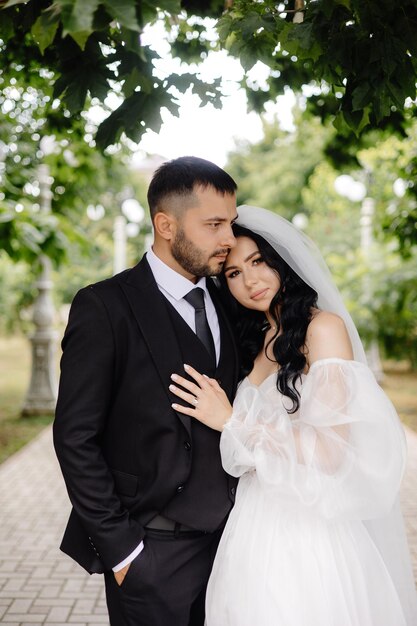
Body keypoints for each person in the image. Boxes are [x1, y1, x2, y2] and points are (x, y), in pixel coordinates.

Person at [169, 205, 417, 626]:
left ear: (281, 260)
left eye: (258, 262)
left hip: (306, 526)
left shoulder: (323, 330)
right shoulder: (258, 335)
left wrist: (232, 421)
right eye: (233, 273)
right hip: (250, 520)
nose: (249, 281)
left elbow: (330, 451)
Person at [53, 156, 241, 626]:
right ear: (166, 224)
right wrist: (124, 553)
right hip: (153, 553)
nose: (229, 240)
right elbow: (74, 437)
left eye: (231, 223)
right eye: (214, 224)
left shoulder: (231, 299)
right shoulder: (105, 306)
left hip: (238, 546)